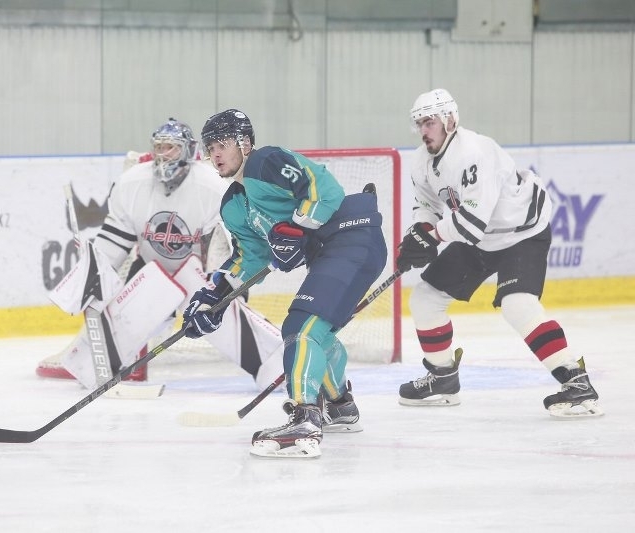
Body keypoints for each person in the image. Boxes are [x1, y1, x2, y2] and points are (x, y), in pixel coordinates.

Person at [181, 109, 388, 458]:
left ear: (245, 144)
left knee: (300, 327)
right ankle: (340, 406)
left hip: (351, 236)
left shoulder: (266, 162)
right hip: (328, 253)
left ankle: (305, 419)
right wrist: (215, 297)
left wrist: (296, 227)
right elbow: (252, 258)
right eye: (210, 147)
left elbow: (323, 190)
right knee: (318, 334)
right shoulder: (233, 204)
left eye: (223, 144)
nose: (215, 154)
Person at [396, 88, 603, 418]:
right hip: (482, 238)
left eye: (429, 122)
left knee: (517, 305)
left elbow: (471, 223)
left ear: (450, 121)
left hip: (522, 233)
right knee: (425, 298)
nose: (423, 130)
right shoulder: (421, 160)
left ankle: (576, 383)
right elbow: (427, 206)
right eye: (419, 123)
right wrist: (419, 232)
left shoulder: (475, 152)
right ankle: (443, 378)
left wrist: (431, 238)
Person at [40, 117, 284, 391]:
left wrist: (224, 292)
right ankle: (99, 363)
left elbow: (224, 248)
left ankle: (273, 362)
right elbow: (113, 243)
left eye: (171, 147)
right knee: (141, 292)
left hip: (202, 274)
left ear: (188, 150)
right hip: (151, 271)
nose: (163, 154)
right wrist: (92, 277)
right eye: (159, 147)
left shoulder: (212, 187)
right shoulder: (131, 183)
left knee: (215, 303)